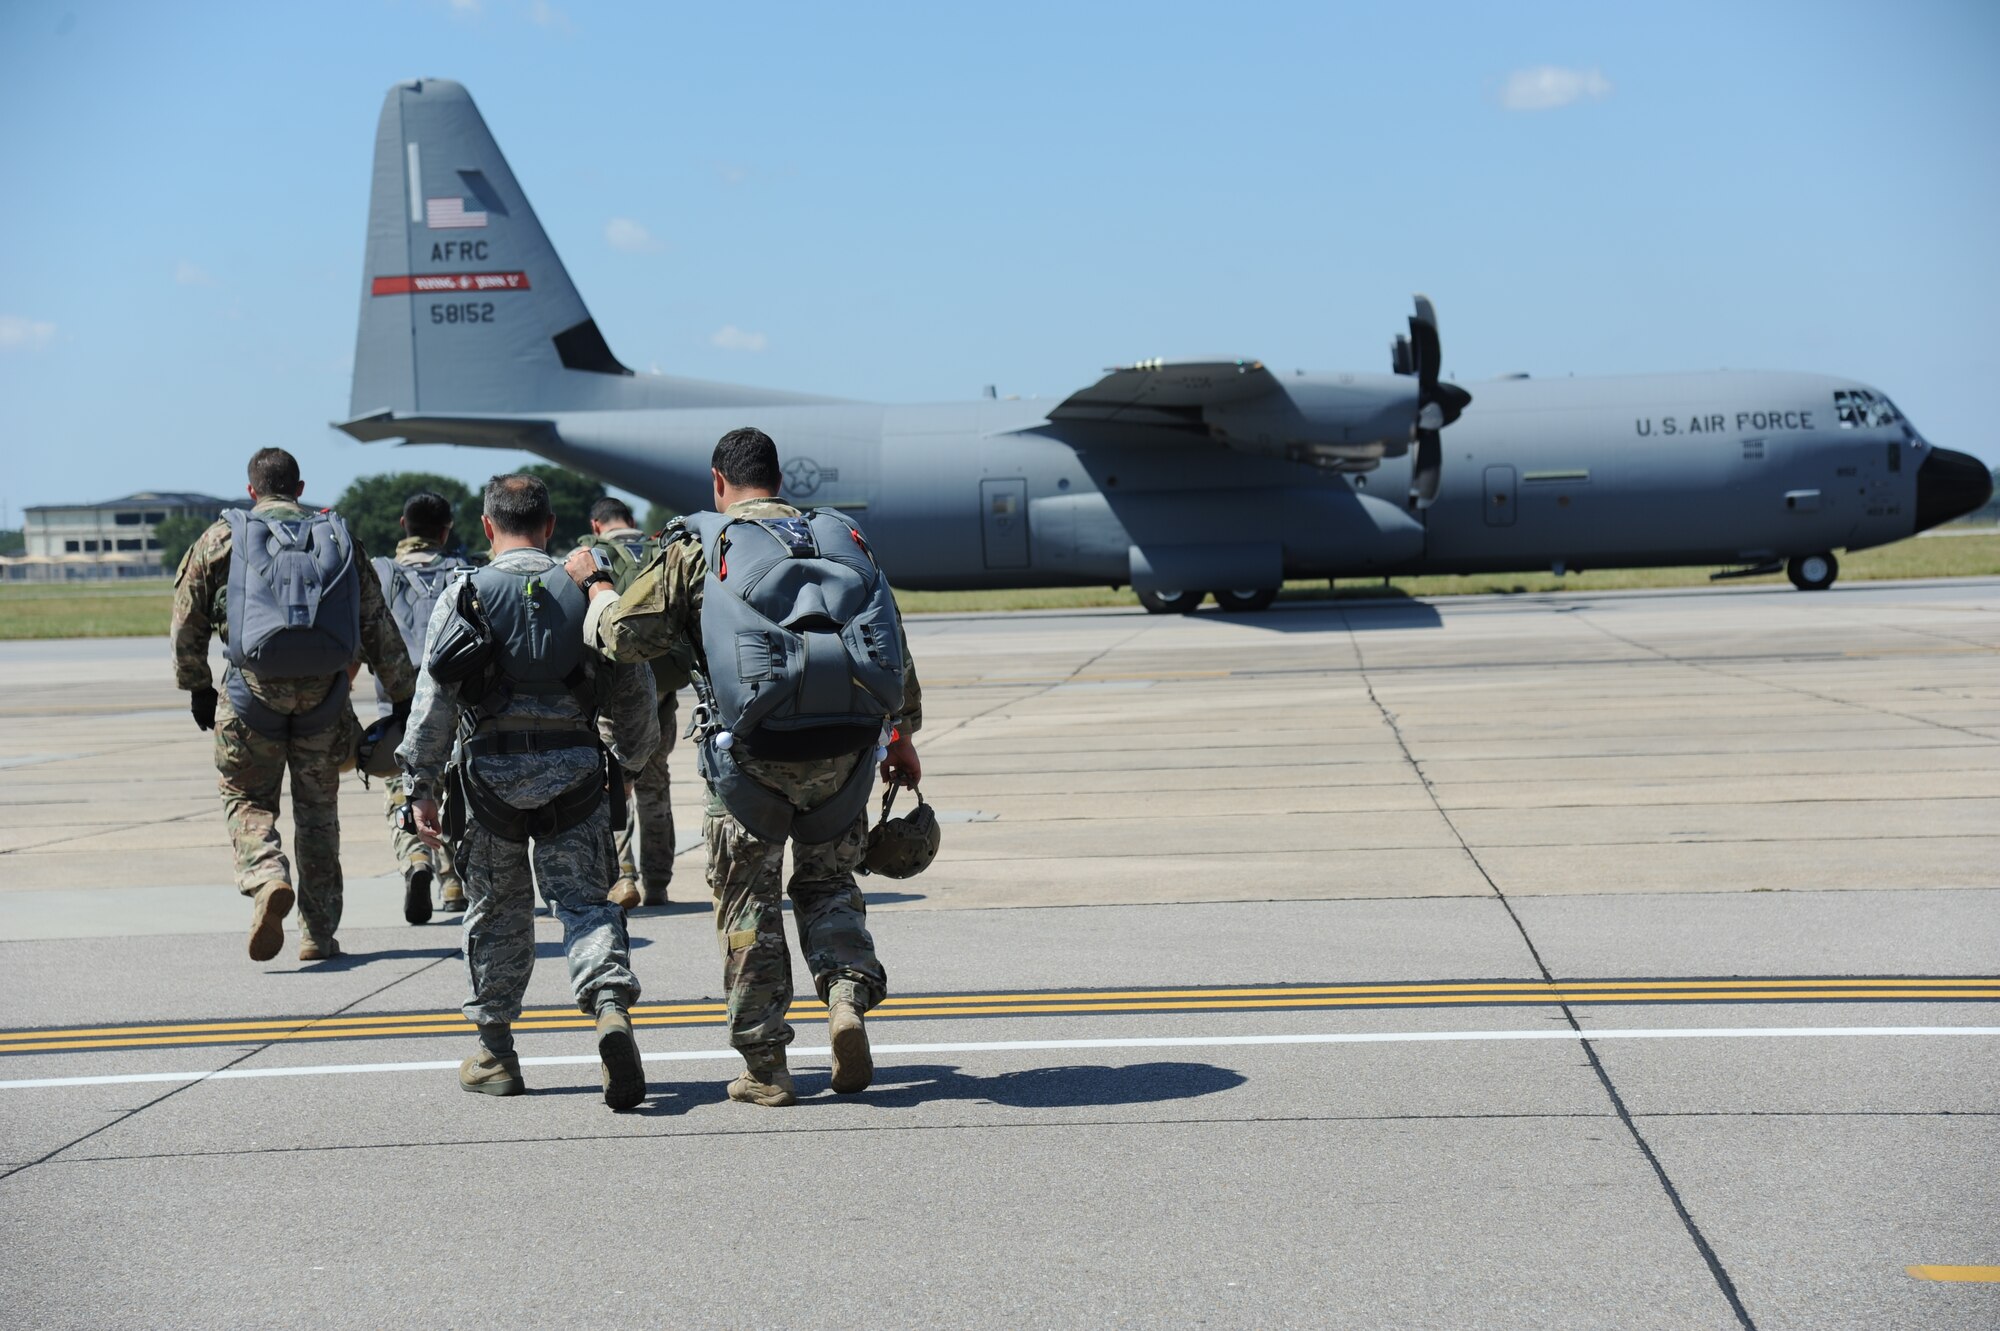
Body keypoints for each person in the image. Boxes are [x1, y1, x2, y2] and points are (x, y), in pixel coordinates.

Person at [568, 427, 922, 1108]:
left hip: (751, 763)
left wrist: (597, 586)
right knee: (828, 885)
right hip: (846, 754)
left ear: (718, 482)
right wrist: (900, 736)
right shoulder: (838, 535)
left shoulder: (699, 544)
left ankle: (766, 1065)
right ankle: (846, 997)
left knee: (748, 905)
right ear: (778, 477)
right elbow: (892, 643)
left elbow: (625, 638)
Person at [400, 473, 659, 1109]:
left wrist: (421, 783)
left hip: (489, 778)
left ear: (489, 527)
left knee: (495, 911)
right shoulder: (588, 588)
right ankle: (606, 1005)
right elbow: (633, 687)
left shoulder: (464, 592)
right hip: (574, 772)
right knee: (584, 903)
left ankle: (496, 1053)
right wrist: (630, 759)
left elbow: (433, 701)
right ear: (548, 526)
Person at [171, 447, 416, 963]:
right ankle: (318, 934)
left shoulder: (222, 538)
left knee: (245, 797)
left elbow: (187, 619)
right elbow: (377, 624)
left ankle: (265, 876)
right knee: (319, 817)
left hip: (249, 697)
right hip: (324, 703)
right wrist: (402, 697)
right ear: (300, 488)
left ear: (252, 489)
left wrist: (197, 685)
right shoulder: (337, 537)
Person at [570, 497, 688, 911]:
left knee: (612, 782)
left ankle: (623, 877)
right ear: (632, 521)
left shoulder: (590, 553)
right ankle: (659, 882)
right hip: (664, 688)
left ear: (595, 524)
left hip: (613, 686)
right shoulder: (664, 549)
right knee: (656, 784)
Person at [371, 491, 473, 923]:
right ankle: (453, 880)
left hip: (398, 702)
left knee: (404, 786)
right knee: (454, 784)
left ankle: (415, 861)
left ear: (403, 526)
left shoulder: (381, 573)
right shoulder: (465, 573)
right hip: (456, 695)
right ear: (446, 530)